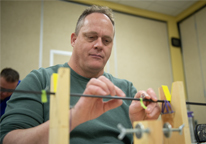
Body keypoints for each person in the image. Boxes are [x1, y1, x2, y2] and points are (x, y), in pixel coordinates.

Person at [0, 5, 161, 144]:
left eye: (106, 41)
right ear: (74, 39)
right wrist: (74, 117)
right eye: (91, 37)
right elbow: (8, 139)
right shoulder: (40, 80)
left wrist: (141, 127)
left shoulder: (127, 90)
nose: (99, 45)